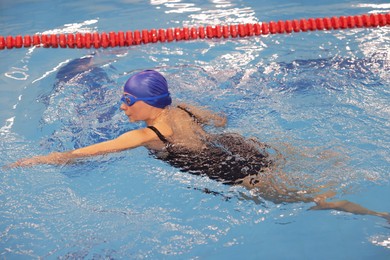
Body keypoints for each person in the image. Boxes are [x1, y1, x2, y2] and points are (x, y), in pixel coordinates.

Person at [7, 69, 390, 222]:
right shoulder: (183, 108)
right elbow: (221, 121)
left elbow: (78, 155)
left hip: (225, 169)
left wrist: (26, 162)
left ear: (147, 103)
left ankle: (374, 216)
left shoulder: (146, 135)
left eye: (128, 99)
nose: (121, 105)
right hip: (239, 145)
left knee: (310, 198)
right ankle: (328, 161)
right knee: (296, 167)